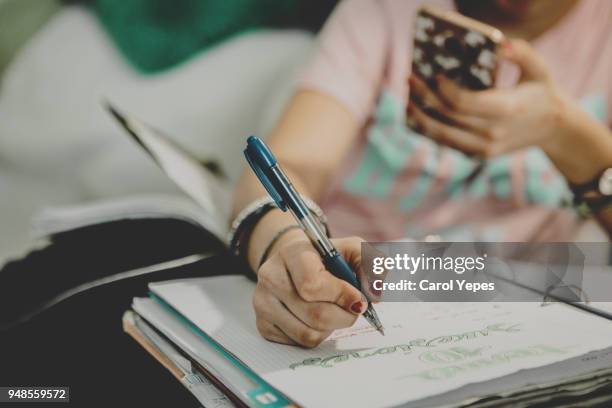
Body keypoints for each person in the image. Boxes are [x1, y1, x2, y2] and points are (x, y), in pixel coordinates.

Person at [231, 0, 612, 347]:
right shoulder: (382, 10)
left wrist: (567, 135)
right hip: (351, 301)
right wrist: (286, 248)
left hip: (510, 320)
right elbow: (290, 165)